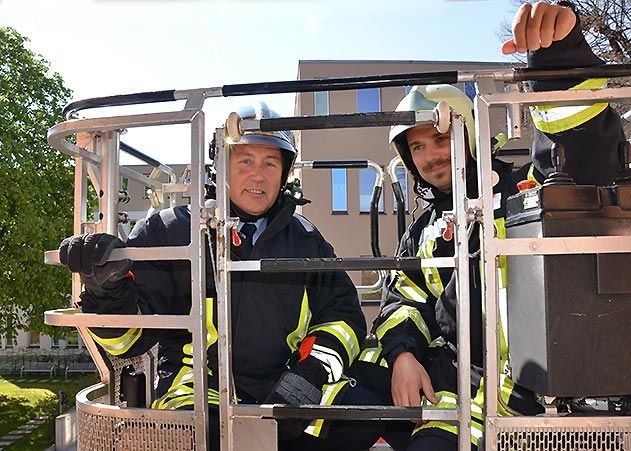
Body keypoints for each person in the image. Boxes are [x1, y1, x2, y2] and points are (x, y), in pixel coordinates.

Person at [355, 2, 628, 451]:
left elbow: (579, 155)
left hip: (545, 402)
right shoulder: (421, 230)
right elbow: (402, 301)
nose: (430, 156)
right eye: (416, 147)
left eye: (441, 137)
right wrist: (403, 354)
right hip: (457, 398)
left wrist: (557, 62)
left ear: (471, 133)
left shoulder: (524, 191)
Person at [58, 102, 401, 451]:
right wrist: (106, 289)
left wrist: (309, 373)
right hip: (196, 391)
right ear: (220, 165)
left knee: (370, 411)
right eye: (245, 161)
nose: (258, 175)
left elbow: (343, 319)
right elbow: (129, 343)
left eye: (270, 163)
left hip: (287, 385)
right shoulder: (171, 231)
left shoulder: (307, 240)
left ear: (284, 174)